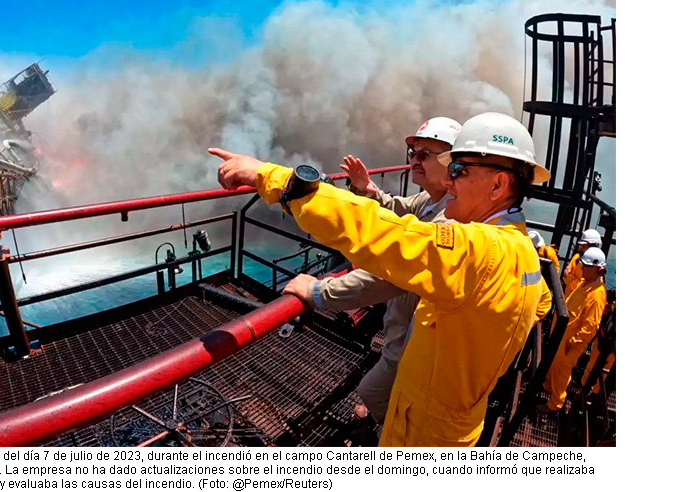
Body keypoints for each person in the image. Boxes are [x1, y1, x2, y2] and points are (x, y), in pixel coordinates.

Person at [210, 110, 550, 446]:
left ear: (498, 185)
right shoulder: (522, 247)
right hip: (443, 418)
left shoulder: (479, 251)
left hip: (422, 433)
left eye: (458, 170)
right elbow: (539, 305)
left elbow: (378, 234)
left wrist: (276, 180)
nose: (449, 180)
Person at [283, 117, 461, 423]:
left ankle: (390, 437)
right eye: (413, 154)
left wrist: (316, 291)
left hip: (417, 333)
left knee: (372, 390)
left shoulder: (451, 219)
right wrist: (368, 190)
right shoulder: (433, 200)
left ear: (454, 163)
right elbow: (396, 208)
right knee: (389, 386)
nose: (414, 161)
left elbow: (386, 276)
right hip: (405, 322)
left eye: (425, 154)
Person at [538, 247, 608, 413]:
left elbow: (591, 326)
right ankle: (548, 386)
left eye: (586, 266)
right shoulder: (585, 284)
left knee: (562, 371)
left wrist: (573, 342)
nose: (581, 268)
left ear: (597, 269)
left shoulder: (597, 294)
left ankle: (555, 404)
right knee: (554, 365)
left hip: (570, 343)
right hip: (563, 337)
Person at [563, 229, 602, 296]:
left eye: (584, 245)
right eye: (581, 245)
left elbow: (583, 287)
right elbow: (565, 276)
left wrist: (569, 277)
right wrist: (571, 279)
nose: (581, 247)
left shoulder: (595, 265)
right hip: (567, 299)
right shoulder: (576, 258)